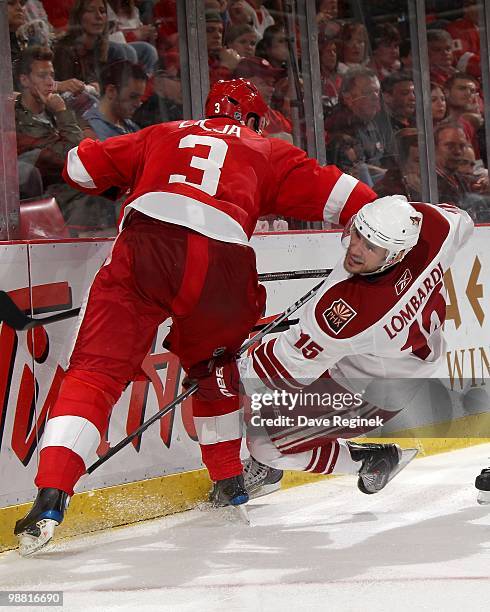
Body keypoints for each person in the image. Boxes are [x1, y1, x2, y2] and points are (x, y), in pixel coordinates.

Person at [14, 78, 377, 556]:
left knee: (95, 375)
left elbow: (79, 167)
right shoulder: (267, 149)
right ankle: (230, 481)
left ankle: (51, 496)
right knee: (214, 372)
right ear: (251, 119)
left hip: (146, 245)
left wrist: (119, 160)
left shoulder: (160, 133)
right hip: (222, 262)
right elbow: (355, 198)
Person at [189, 196, 474, 498]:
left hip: (375, 387)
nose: (355, 248)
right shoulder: (434, 225)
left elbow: (278, 370)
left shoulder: (351, 312)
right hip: (392, 357)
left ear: (395, 255)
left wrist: (221, 376)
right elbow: (463, 221)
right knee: (271, 408)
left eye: (370, 247)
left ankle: (371, 462)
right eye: (358, 234)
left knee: (266, 442)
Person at [82, 60, 147, 140]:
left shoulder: (131, 127)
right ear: (111, 91)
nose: (137, 104)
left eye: (140, 98)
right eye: (133, 96)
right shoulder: (92, 132)